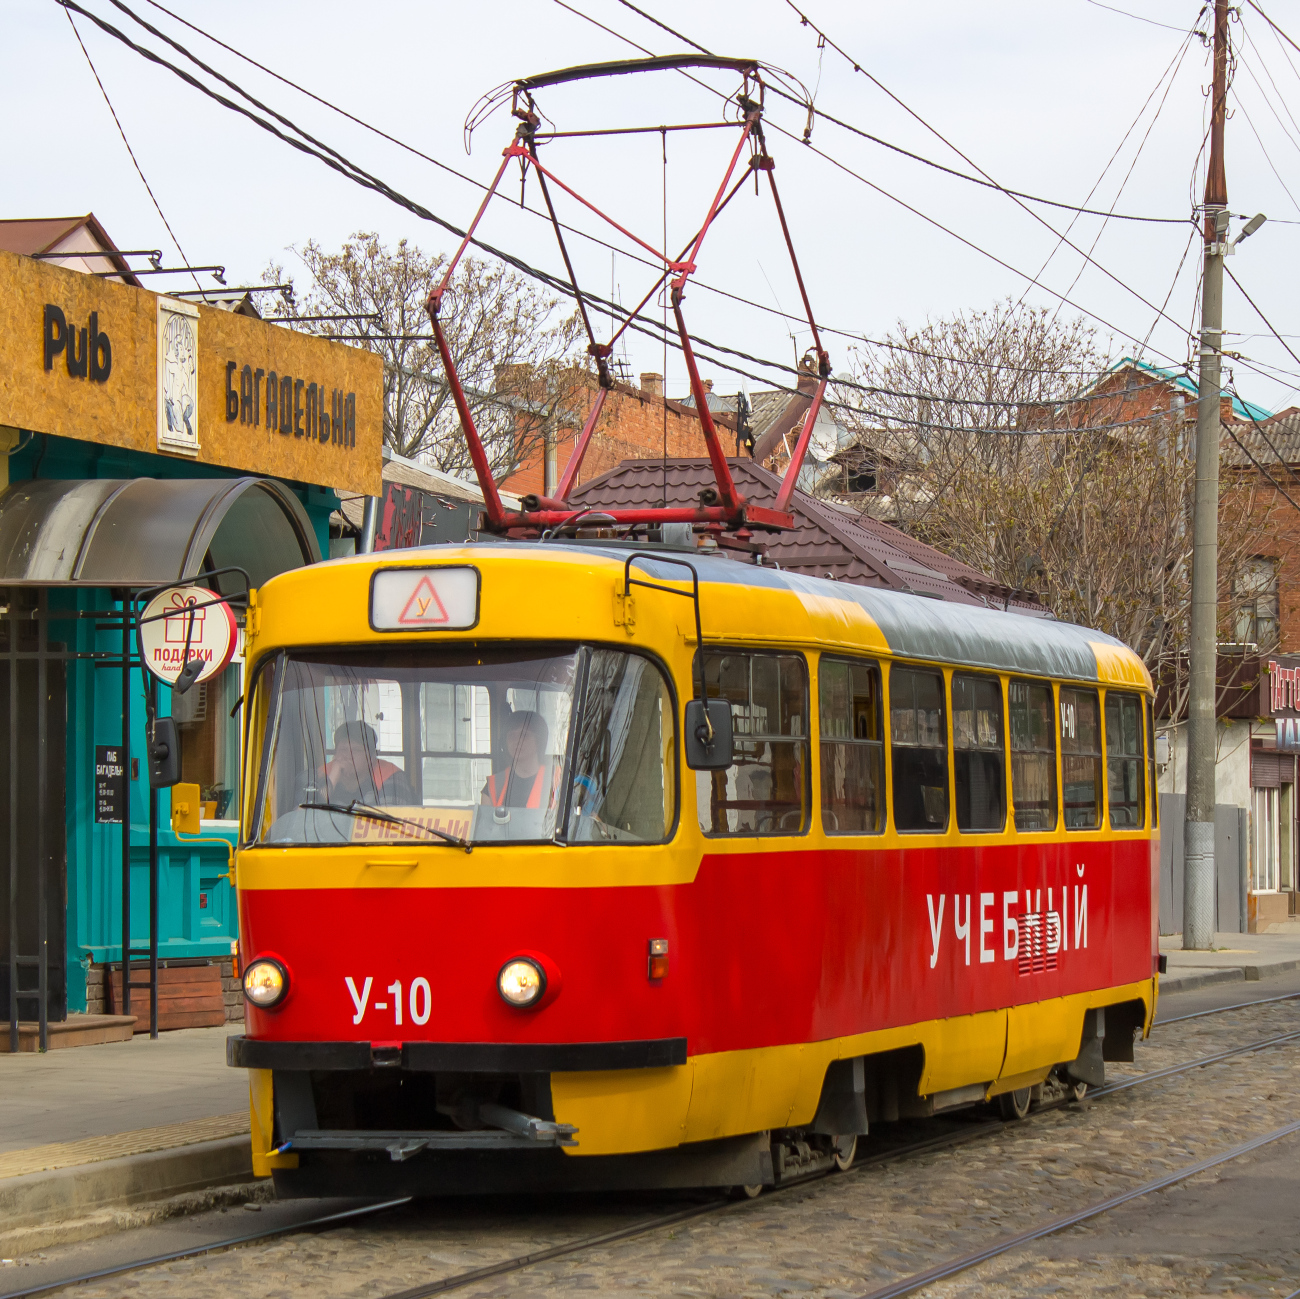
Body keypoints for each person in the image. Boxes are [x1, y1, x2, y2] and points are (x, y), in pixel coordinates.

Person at [323, 720, 413, 807]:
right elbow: (312, 815)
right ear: (335, 754)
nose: (347, 756)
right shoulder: (322, 774)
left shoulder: (389, 775)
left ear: (371, 757)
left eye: (355, 750)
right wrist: (332, 780)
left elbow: (389, 820)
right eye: (343, 750)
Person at [482, 710, 555, 809]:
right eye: (511, 736)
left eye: (524, 735)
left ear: (539, 741)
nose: (517, 741)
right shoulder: (493, 786)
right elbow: (486, 823)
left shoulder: (559, 780)